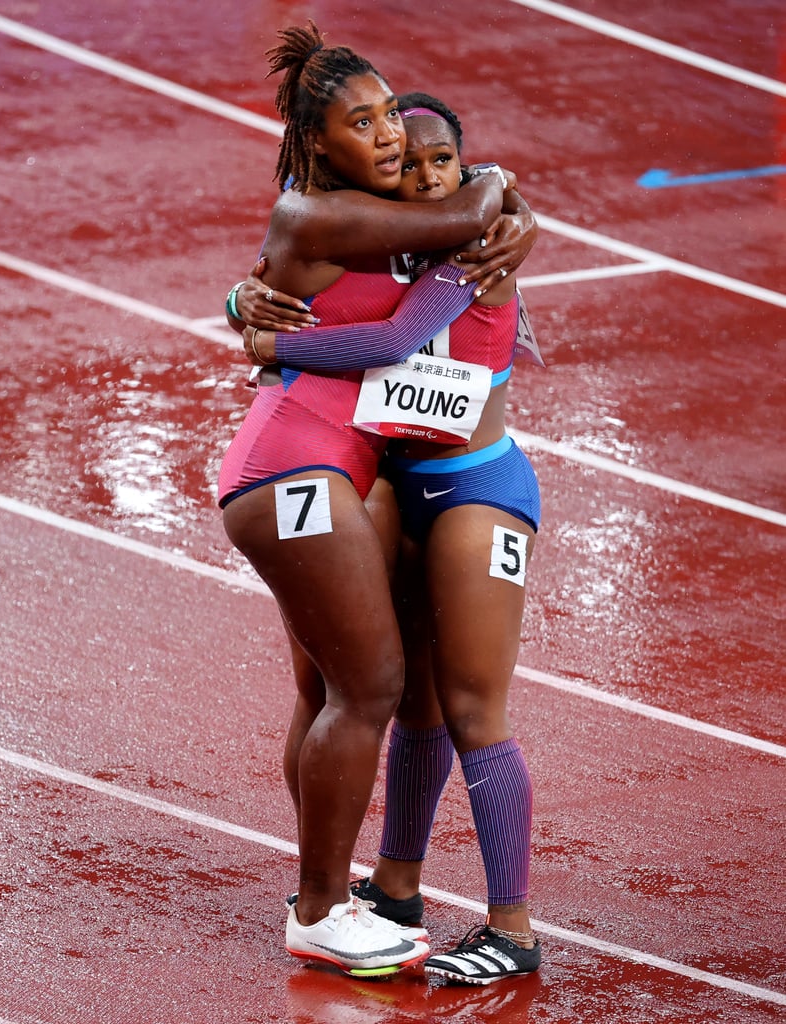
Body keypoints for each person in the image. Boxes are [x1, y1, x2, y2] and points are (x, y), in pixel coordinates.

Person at [217, 23, 534, 979]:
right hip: (328, 470)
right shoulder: (344, 215)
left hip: (440, 480)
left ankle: (429, 904)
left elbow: (426, 248)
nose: (394, 138)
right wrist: (496, 195)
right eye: (366, 122)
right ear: (321, 144)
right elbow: (390, 273)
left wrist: (259, 323)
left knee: (431, 700)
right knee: (359, 691)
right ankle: (328, 898)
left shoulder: (412, 211)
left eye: (394, 114)